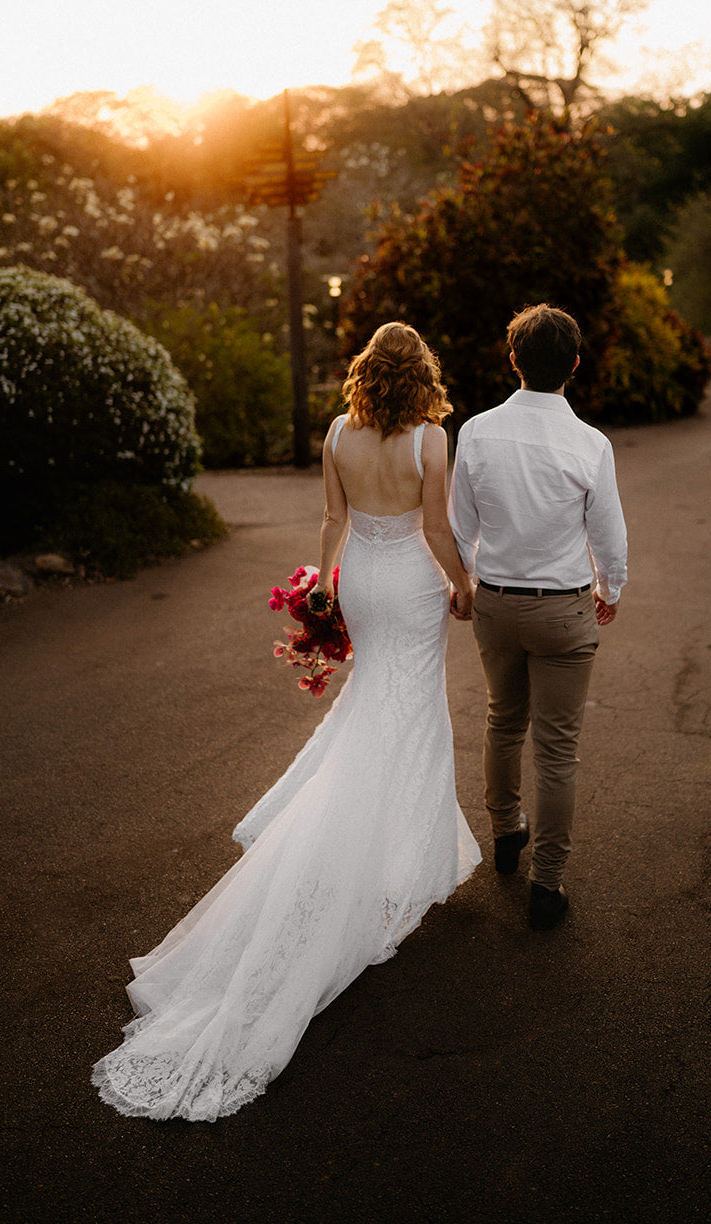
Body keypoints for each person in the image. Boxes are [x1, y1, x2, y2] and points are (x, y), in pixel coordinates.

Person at [93, 322, 480, 1120]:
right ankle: (382, 860)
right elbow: (438, 528)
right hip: (410, 584)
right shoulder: (432, 439)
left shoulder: (340, 430)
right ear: (422, 374)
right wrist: (463, 585)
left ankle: (381, 855)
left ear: (367, 371)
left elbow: (332, 522)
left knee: (373, 711)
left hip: (364, 584)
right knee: (408, 722)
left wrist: (325, 587)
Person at [449, 304, 628, 931]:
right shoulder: (590, 444)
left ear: (513, 360)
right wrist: (611, 587)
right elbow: (609, 535)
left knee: (503, 721)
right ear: (575, 366)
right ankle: (546, 885)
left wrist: (469, 584)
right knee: (557, 752)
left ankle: (505, 831)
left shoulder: (474, 432)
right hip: (563, 611)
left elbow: (460, 526)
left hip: (495, 604)